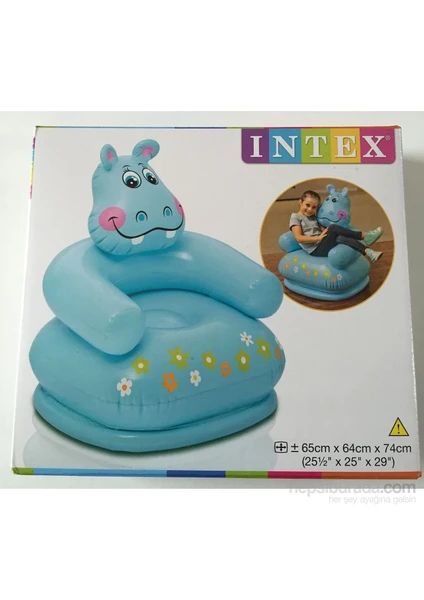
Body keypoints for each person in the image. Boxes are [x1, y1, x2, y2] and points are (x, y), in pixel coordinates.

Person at [289, 190, 383, 262]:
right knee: (333, 227)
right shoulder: (295, 217)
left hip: (322, 242)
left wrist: (325, 231)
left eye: (314, 207)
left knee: (340, 237)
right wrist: (318, 238)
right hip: (315, 250)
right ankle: (364, 236)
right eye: (307, 205)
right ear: (300, 202)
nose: (310, 209)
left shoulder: (312, 216)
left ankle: (369, 252)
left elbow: (319, 227)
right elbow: (299, 238)